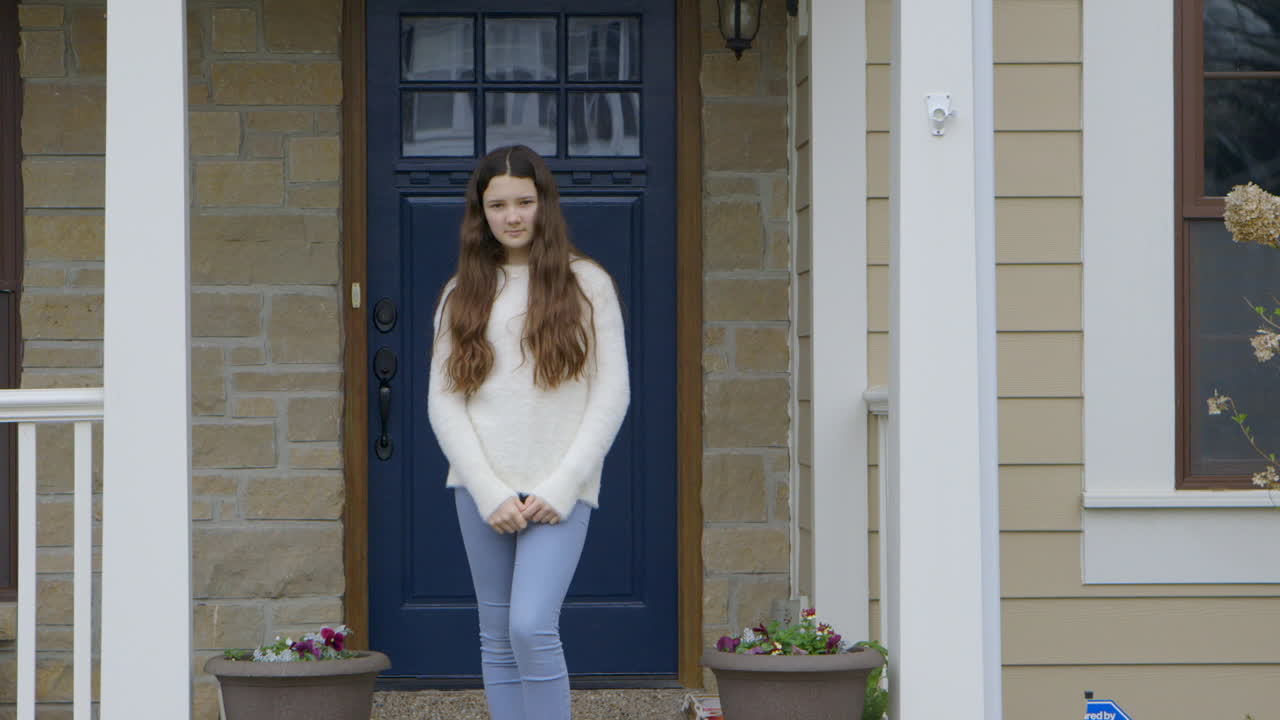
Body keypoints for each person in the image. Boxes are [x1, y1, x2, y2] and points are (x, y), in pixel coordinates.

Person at [426, 144, 630, 720]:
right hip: (481, 489)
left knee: (531, 625)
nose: (512, 216)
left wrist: (564, 484)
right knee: (496, 634)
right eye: (498, 205)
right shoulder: (460, 292)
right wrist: (487, 489)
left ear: (544, 205)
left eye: (523, 202)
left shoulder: (587, 284)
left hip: (559, 490)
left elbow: (611, 393)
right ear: (480, 212)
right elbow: (444, 403)